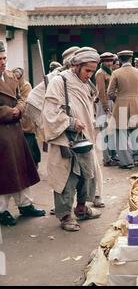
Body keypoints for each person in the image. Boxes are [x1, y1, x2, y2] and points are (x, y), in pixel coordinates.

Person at [42, 47, 102, 231]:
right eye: (87, 71)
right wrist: (70, 122)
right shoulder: (59, 82)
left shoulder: (85, 83)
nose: (90, 75)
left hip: (84, 139)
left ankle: (82, 208)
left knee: (86, 175)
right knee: (67, 178)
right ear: (76, 65)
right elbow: (50, 112)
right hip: (65, 139)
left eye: (93, 71)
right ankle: (65, 215)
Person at [0, 41, 45, 226]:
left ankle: (25, 205)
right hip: (2, 133)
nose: (3, 62)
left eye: (4, 58)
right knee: (4, 173)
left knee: (21, 168)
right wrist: (10, 112)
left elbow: (21, 98)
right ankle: (1, 210)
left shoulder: (11, 76)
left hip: (15, 131)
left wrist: (18, 108)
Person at [107, 50, 138, 169]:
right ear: (131, 59)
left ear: (119, 59)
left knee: (121, 135)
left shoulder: (116, 73)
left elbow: (110, 93)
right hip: (136, 104)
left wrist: (118, 99)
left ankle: (126, 162)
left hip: (121, 106)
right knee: (135, 133)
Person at [12, 67, 41, 168]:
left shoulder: (26, 85)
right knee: (24, 145)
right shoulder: (11, 85)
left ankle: (34, 163)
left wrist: (17, 107)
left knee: (30, 143)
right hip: (17, 120)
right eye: (14, 77)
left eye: (18, 78)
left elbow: (24, 100)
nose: (16, 79)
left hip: (27, 120)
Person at [95, 52, 118, 167]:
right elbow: (101, 93)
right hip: (104, 104)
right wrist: (106, 108)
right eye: (107, 61)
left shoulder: (110, 71)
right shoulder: (100, 73)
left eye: (110, 61)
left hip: (111, 103)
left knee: (112, 131)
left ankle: (113, 156)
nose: (109, 63)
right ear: (102, 62)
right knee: (104, 132)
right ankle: (106, 159)